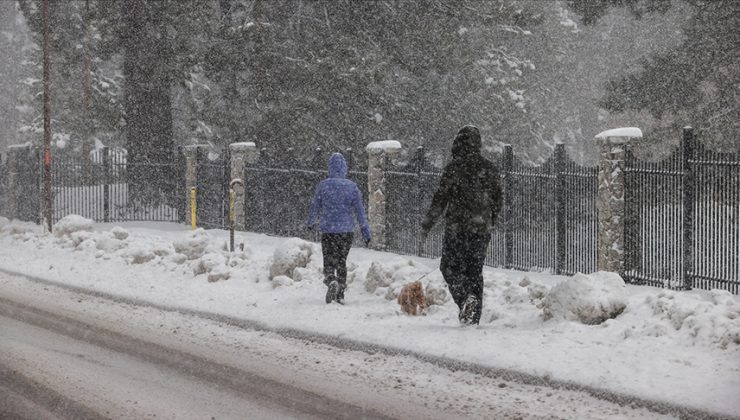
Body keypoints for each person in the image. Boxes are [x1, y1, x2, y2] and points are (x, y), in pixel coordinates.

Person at [421, 125, 502, 325]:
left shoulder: (454, 168)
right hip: (481, 229)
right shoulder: (489, 169)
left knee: (449, 268)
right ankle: (473, 315)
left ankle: (465, 299)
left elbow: (440, 199)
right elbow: (497, 200)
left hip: (457, 228)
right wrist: (490, 219)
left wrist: (427, 223)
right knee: (474, 272)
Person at [307, 152, 372, 304]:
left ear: (330, 168)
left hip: (328, 230)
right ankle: (341, 293)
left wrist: (310, 223)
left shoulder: (323, 186)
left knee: (329, 261)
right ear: (344, 168)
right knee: (341, 261)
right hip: (346, 231)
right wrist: (365, 232)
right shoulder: (352, 187)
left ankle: (331, 280)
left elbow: (314, 207)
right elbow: (360, 212)